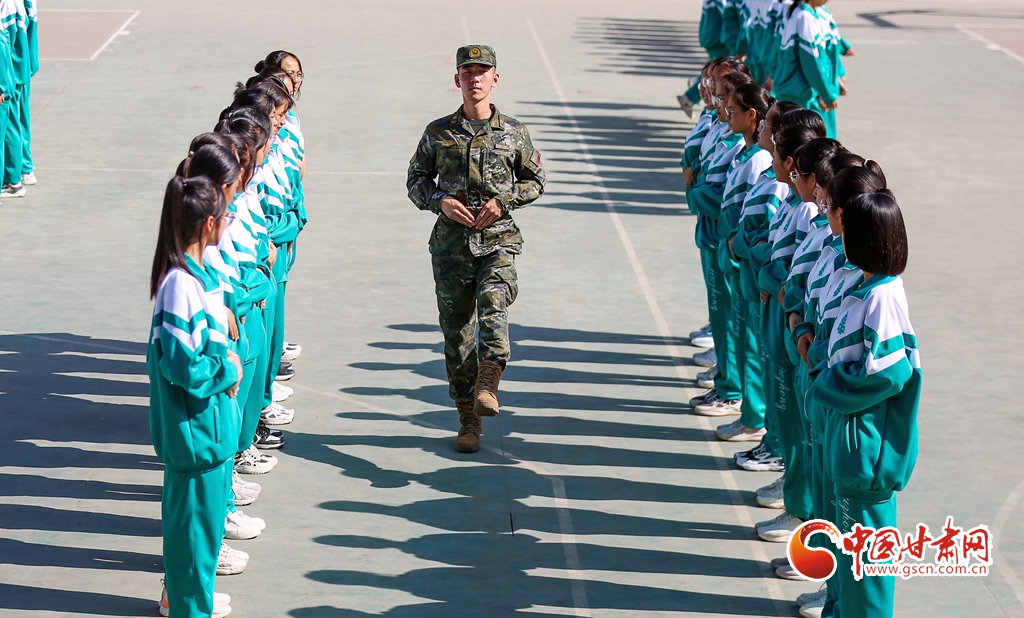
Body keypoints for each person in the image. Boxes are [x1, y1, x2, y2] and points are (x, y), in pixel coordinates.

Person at [407, 45, 545, 453]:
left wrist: (504, 201)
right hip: (451, 247)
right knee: (457, 334)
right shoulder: (438, 132)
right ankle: (468, 417)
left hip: (498, 240)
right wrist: (440, 202)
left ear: (495, 79)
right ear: (457, 80)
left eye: (482, 71)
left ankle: (489, 379)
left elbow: (535, 180)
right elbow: (416, 180)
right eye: (467, 72)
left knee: (494, 300)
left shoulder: (513, 132)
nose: (475, 78)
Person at [812, 189, 920, 618]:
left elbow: (891, 373)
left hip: (866, 456)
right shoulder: (866, 288)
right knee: (851, 568)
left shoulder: (883, 297)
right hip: (852, 450)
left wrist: (829, 383)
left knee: (865, 572)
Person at [148, 174, 240, 618]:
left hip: (209, 434)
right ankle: (188, 608)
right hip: (196, 437)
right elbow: (183, 367)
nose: (229, 219)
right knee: (191, 545)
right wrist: (228, 369)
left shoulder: (195, 277)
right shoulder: (179, 286)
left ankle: (192, 602)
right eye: (224, 214)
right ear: (208, 223)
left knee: (202, 541)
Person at [709, 83, 774, 442]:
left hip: (746, 265)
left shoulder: (761, 161)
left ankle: (754, 415)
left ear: (752, 115)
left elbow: (763, 226)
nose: (725, 111)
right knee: (741, 336)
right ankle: (748, 408)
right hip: (735, 255)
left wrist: (738, 243)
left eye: (731, 107)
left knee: (751, 344)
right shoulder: (748, 155)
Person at [771, 0, 854, 138]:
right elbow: (811, 62)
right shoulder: (805, 17)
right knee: (814, 141)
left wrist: (837, 76)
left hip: (797, 90)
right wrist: (826, 94)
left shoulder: (800, 12)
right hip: (804, 93)